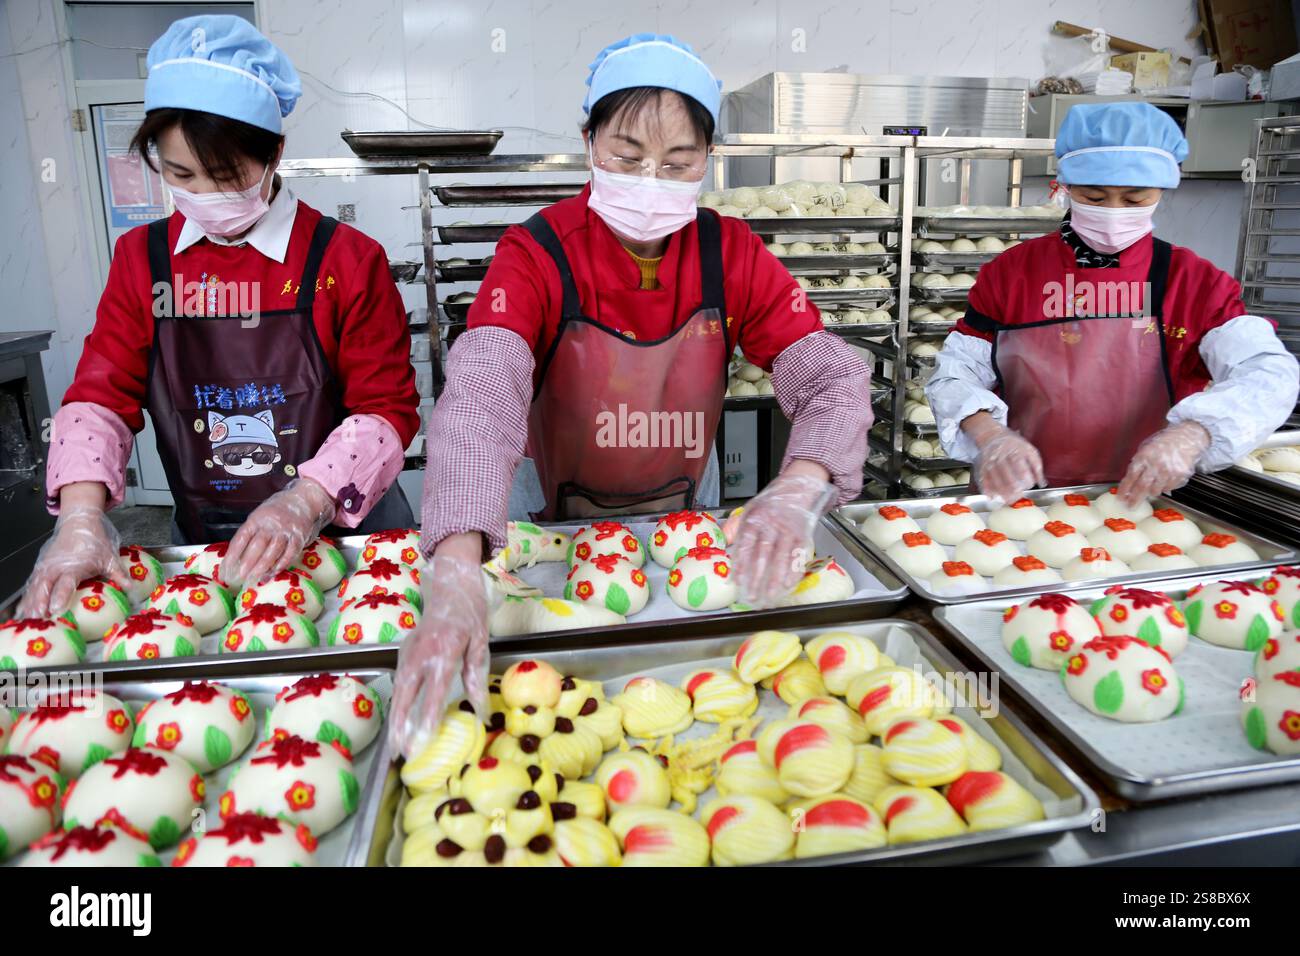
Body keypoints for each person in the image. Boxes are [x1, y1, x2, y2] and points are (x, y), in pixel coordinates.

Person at [391, 34, 872, 753]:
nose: (651, 180)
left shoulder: (731, 251)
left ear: (707, 160)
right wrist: (457, 562)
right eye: (625, 157)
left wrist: (802, 483)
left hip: (681, 514)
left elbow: (832, 375)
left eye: (678, 163)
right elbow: (483, 393)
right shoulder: (539, 251)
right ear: (588, 142)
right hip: (545, 525)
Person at [19, 15, 419, 618]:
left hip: (347, 541)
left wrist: (304, 500)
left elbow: (385, 408)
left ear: (275, 153)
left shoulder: (345, 259)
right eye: (180, 174)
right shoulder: (143, 260)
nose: (203, 193)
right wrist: (79, 517)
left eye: (226, 175)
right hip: (209, 541)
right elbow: (101, 396)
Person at [927, 102, 1299, 507]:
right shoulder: (1012, 273)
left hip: (1147, 499)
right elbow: (957, 372)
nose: (1113, 213)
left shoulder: (1194, 282)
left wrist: (1194, 434)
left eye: (1134, 199)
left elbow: (1268, 373)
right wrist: (990, 436)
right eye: (1095, 197)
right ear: (1065, 186)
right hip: (1020, 492)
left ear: (1161, 192)